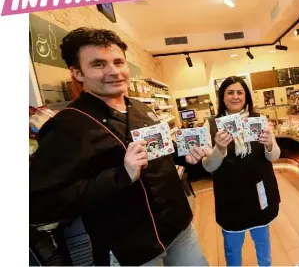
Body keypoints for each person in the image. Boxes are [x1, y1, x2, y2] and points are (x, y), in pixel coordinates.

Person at [29, 27, 210, 266]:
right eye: (98, 64)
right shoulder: (67, 126)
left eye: (118, 62)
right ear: (77, 73)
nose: (113, 72)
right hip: (131, 247)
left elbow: (160, 151)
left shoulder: (141, 108)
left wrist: (184, 154)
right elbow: (41, 201)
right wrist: (120, 176)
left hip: (179, 226)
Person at [202, 76, 281, 266]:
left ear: (246, 96)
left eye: (240, 92)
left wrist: (270, 144)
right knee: (232, 248)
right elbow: (208, 166)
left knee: (263, 243)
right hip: (230, 197)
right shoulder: (211, 125)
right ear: (222, 97)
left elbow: (274, 157)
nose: (235, 97)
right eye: (230, 92)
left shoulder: (259, 120)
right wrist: (219, 149)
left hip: (259, 193)